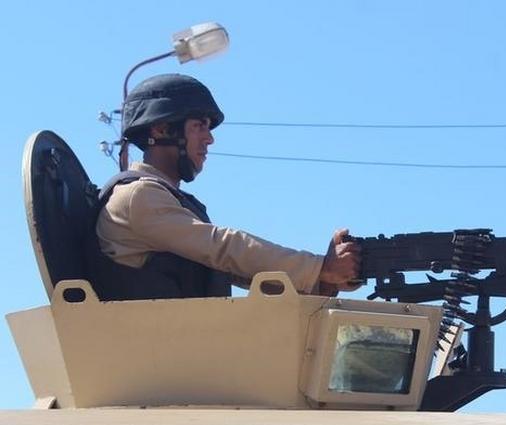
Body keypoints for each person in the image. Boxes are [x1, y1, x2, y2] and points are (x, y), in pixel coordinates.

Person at [89, 73, 360, 300]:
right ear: (160, 130)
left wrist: (320, 282)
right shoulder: (139, 196)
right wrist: (319, 268)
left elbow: (231, 268)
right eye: (199, 126)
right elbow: (223, 249)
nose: (209, 140)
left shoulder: (163, 199)